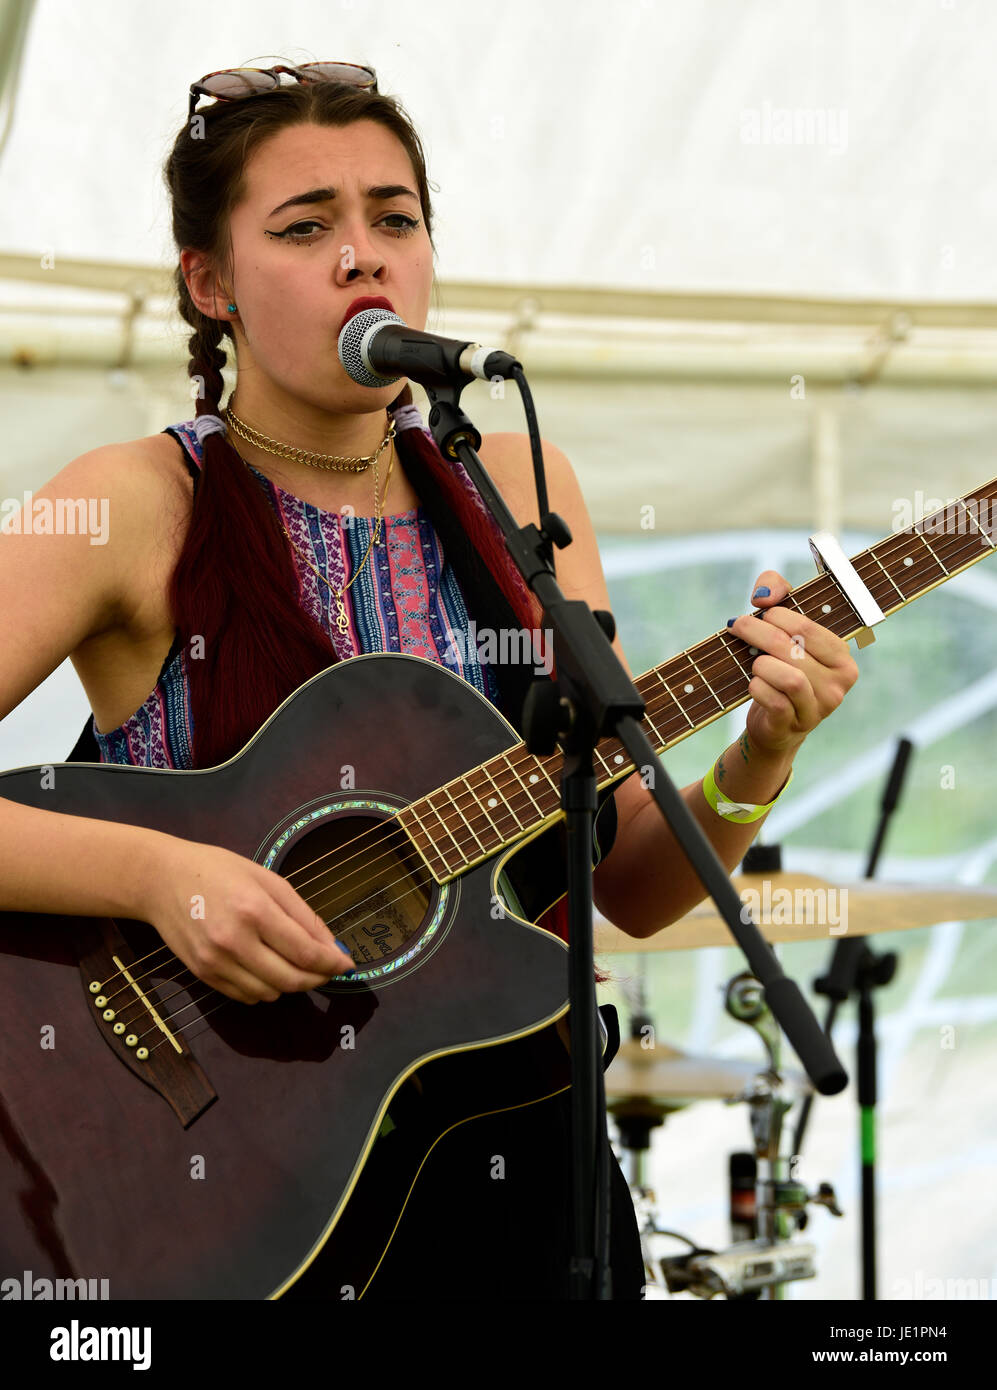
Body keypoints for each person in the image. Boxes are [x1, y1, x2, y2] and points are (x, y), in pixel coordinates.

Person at [0, 61, 859, 1300]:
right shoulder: (136, 503)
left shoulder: (527, 486)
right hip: (231, 1178)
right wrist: (159, 874)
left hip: (525, 1165)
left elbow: (627, 883)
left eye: (394, 218)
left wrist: (760, 755)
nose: (364, 255)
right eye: (306, 228)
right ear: (209, 283)